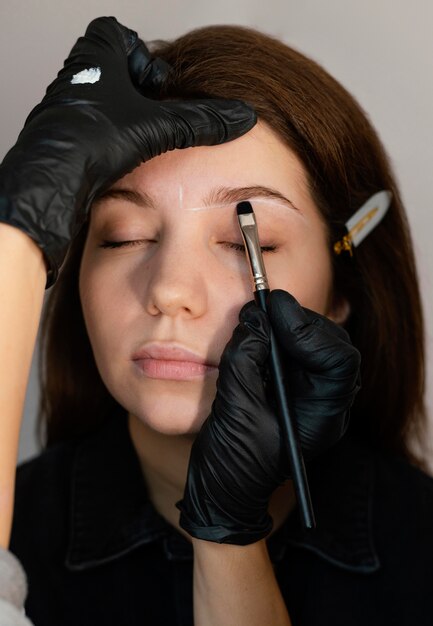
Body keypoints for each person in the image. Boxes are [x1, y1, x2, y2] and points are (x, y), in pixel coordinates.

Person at [0, 15, 432, 626]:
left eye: (243, 243)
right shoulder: (17, 534)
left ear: (342, 293)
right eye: (124, 236)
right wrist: (14, 232)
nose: (170, 291)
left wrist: (227, 534)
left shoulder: (419, 554)